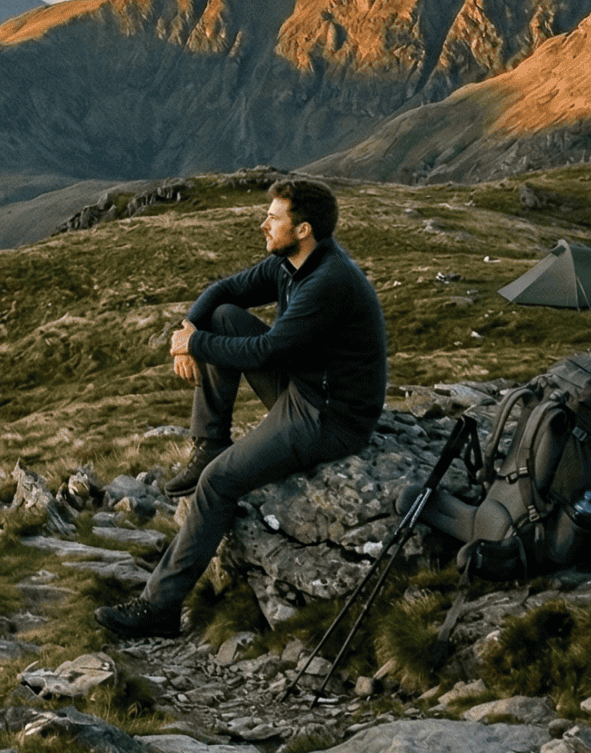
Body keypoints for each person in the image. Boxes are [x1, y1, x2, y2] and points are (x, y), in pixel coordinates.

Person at [95, 177, 389, 640]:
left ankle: (159, 609)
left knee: (218, 483)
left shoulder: (327, 281)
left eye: (274, 218)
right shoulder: (289, 264)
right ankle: (209, 441)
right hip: (303, 387)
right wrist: (191, 330)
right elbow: (223, 290)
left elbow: (266, 352)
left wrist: (197, 344)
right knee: (224, 316)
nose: (263, 225)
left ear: (304, 229)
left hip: (329, 415)